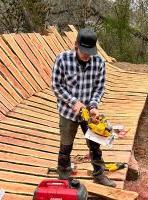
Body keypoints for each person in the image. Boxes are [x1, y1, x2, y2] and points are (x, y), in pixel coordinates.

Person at [51, 28, 116, 187]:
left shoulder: (99, 62)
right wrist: (74, 102)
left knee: (95, 145)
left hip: (89, 115)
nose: (87, 55)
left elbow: (100, 87)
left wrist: (93, 105)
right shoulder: (62, 59)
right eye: (83, 51)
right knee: (66, 145)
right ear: (76, 46)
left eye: (90, 51)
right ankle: (64, 176)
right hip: (68, 112)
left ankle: (99, 174)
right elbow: (56, 86)